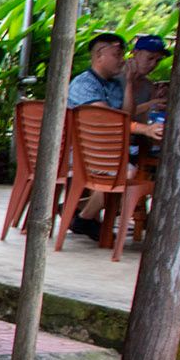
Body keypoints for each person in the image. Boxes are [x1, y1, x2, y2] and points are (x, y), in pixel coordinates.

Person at [63, 33, 164, 241]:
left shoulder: (114, 84)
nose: (122, 60)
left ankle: (82, 214)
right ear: (99, 55)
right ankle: (85, 218)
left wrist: (129, 84)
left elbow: (126, 115)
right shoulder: (84, 83)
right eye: (117, 55)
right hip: (78, 150)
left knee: (128, 168)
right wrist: (145, 130)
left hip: (103, 150)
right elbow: (109, 121)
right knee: (126, 171)